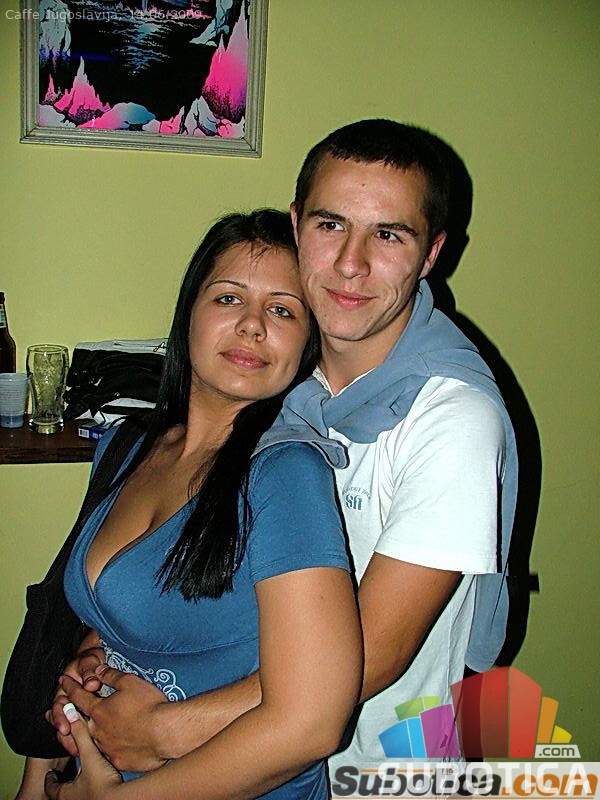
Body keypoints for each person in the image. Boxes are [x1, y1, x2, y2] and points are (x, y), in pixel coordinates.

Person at [44, 120, 517, 781]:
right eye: (331, 225)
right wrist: (110, 652)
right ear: (297, 226)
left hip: (378, 768)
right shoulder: (282, 386)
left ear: (432, 253)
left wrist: (164, 731)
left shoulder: (453, 419)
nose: (350, 262)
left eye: (388, 235)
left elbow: (370, 654)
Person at [15, 209, 362, 799]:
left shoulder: (286, 475)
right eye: (229, 298)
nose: (252, 325)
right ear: (189, 314)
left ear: (307, 343)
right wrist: (93, 657)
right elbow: (113, 614)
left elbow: (312, 726)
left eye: (283, 310)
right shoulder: (127, 447)